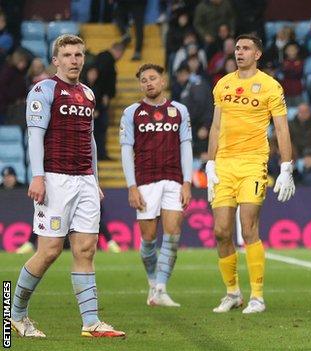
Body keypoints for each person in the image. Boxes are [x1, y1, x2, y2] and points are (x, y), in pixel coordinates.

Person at [10, 34, 125, 338]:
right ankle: (15, 314)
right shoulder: (45, 89)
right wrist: (37, 176)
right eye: (68, 55)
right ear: (56, 60)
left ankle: (91, 323)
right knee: (48, 251)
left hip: (85, 179)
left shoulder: (87, 93)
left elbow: (90, 140)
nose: (74, 60)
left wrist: (96, 180)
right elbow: (34, 135)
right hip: (55, 178)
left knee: (86, 249)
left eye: (79, 55)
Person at [205, 33, 295, 314]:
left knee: (248, 227)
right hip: (224, 164)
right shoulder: (223, 84)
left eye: (246, 48)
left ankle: (257, 296)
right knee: (221, 231)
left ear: (257, 54)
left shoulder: (270, 87)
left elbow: (281, 129)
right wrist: (209, 164)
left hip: (253, 163)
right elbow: (216, 127)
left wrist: (286, 168)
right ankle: (232, 292)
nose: (239, 52)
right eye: (237, 48)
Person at [120, 63, 193, 307]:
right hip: (145, 181)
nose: (148, 83)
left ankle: (161, 289)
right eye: (144, 80)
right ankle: (152, 283)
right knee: (149, 240)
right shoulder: (132, 112)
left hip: (173, 179)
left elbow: (186, 146)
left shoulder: (179, 110)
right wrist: (131, 186)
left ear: (163, 81)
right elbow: (126, 149)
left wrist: (187, 181)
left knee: (173, 235)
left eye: (153, 78)